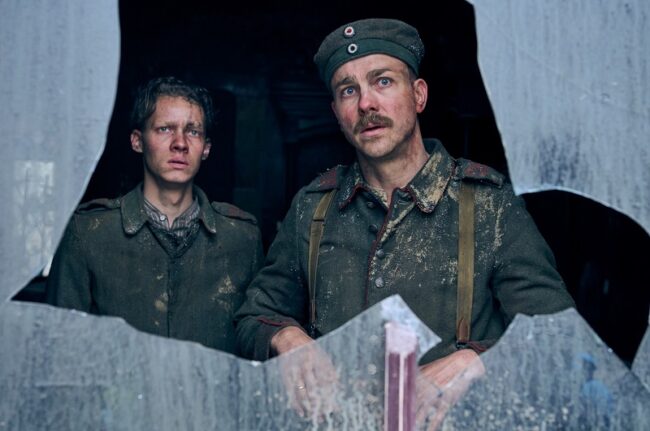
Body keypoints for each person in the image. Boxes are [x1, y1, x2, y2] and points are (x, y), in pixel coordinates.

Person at [235, 18, 574, 384]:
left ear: (419, 95)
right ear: (336, 114)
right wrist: (286, 338)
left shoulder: (488, 206)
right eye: (348, 90)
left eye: (383, 81)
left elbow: (558, 338)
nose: (366, 103)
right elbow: (254, 316)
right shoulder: (313, 208)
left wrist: (476, 361)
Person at [47, 77, 263, 354]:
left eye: (193, 131)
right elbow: (59, 347)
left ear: (206, 148)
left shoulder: (242, 238)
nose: (180, 143)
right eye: (164, 129)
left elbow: (254, 340)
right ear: (138, 141)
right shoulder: (89, 233)